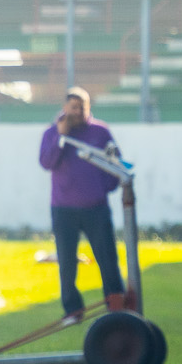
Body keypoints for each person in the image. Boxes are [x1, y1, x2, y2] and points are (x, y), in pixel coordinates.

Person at [38, 86, 124, 318]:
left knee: (107, 260)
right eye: (73, 107)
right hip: (63, 208)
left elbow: (116, 162)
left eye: (82, 108)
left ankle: (116, 307)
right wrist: (61, 136)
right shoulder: (52, 133)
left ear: (88, 108)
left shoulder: (100, 132)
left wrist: (104, 187)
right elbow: (46, 162)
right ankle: (72, 310)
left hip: (96, 208)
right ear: (65, 108)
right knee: (66, 262)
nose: (77, 112)